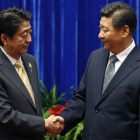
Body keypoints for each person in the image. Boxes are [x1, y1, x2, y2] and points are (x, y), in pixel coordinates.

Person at [53, 1, 140, 140]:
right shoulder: (96, 57)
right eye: (100, 28)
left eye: (105, 30)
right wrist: (64, 119)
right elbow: (82, 97)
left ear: (124, 31)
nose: (100, 35)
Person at [0, 7, 63, 140]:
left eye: (30, 32)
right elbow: (4, 115)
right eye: (24, 35)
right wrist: (43, 124)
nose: (29, 39)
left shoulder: (30, 60)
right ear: (5, 39)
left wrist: (44, 124)